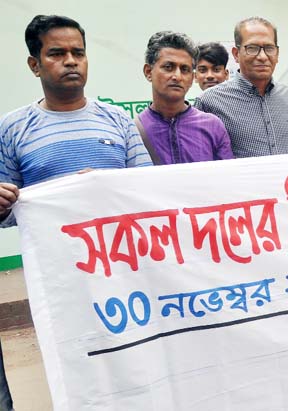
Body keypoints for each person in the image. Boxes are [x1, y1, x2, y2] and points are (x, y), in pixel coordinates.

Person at [0, 16, 154, 410]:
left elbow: (147, 191)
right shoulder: (13, 128)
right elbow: (8, 211)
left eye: (78, 53)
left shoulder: (117, 119)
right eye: (57, 53)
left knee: (134, 360)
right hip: (58, 278)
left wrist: (103, 186)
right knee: (75, 363)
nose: (70, 61)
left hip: (122, 270)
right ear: (35, 64)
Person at [195, 17, 288, 158]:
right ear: (236, 54)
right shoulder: (209, 101)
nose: (262, 56)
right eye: (252, 48)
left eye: (269, 48)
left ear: (277, 53)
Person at [137, 31, 233, 164]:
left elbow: (227, 179)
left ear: (192, 77)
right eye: (168, 67)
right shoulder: (133, 130)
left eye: (184, 69)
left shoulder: (213, 127)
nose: (177, 76)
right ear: (148, 72)